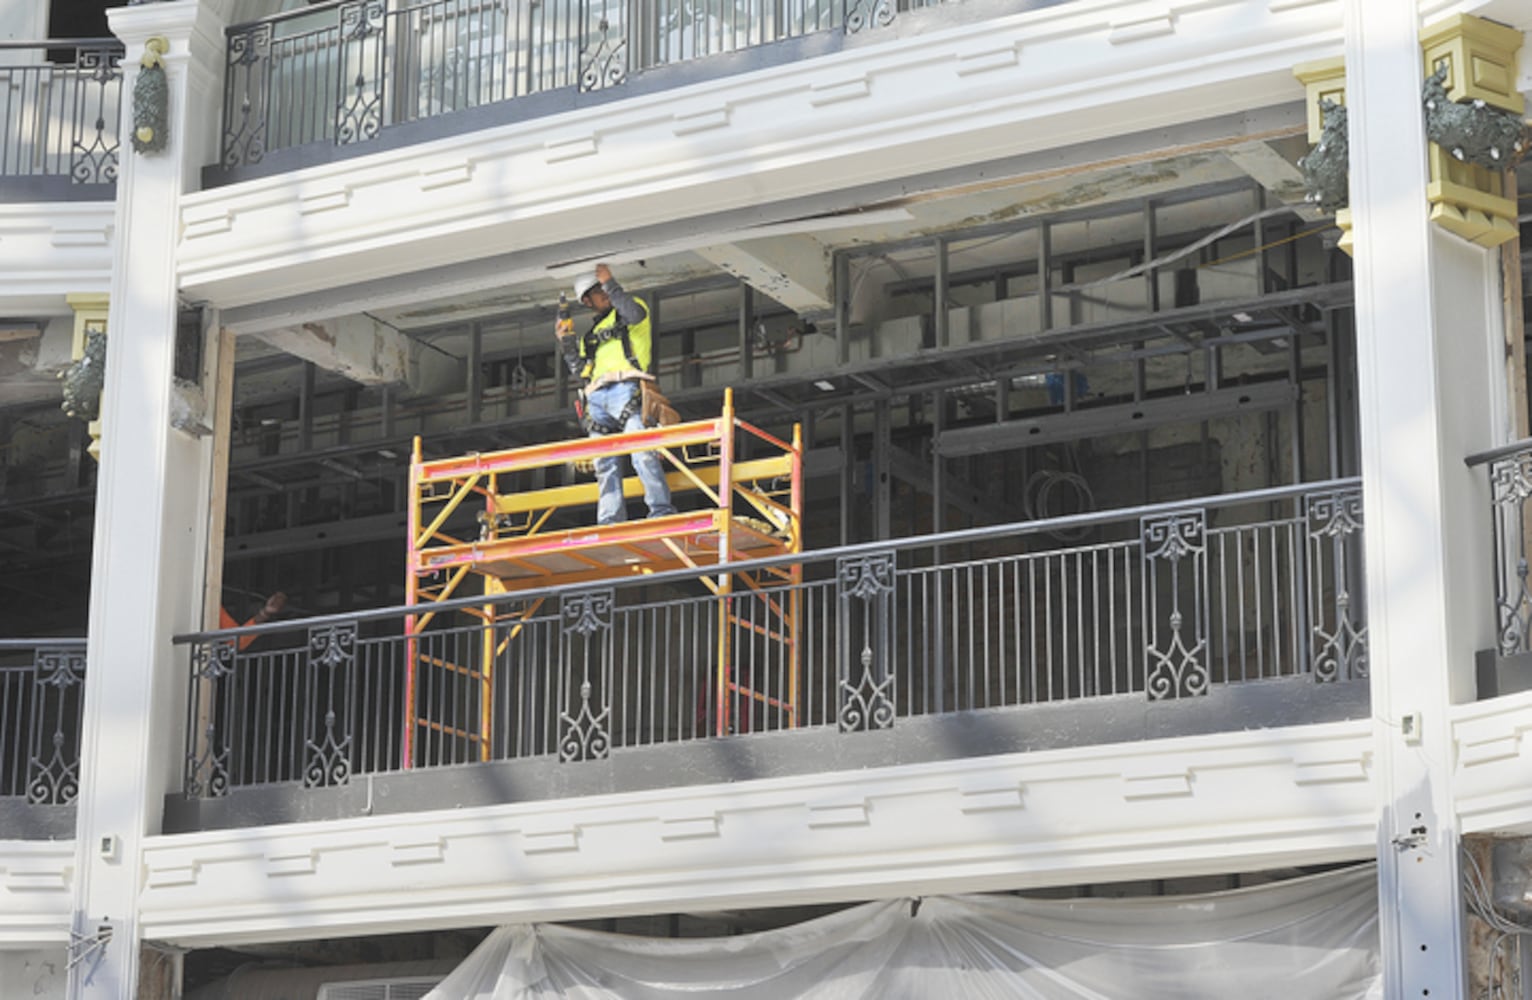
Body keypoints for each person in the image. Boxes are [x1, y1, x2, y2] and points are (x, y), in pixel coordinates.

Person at [556, 263, 676, 525]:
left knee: (642, 453)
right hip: (597, 398)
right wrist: (567, 344)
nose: (605, 294)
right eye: (598, 292)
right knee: (604, 464)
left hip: (627, 389)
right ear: (587, 301)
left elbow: (633, 314)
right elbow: (582, 371)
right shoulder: (590, 336)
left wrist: (611, 282)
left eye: (604, 289)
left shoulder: (632, 310)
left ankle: (661, 511)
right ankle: (610, 520)